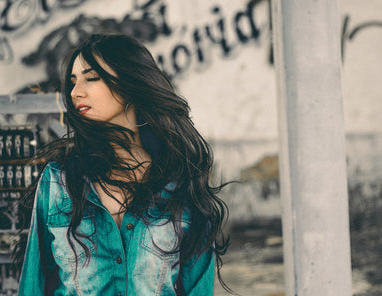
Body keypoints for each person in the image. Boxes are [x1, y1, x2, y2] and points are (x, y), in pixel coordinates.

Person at [17, 34, 231, 295]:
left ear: (129, 83)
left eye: (91, 78)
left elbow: (198, 288)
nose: (75, 92)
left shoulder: (179, 184)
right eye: (73, 82)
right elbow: (33, 286)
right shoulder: (57, 182)